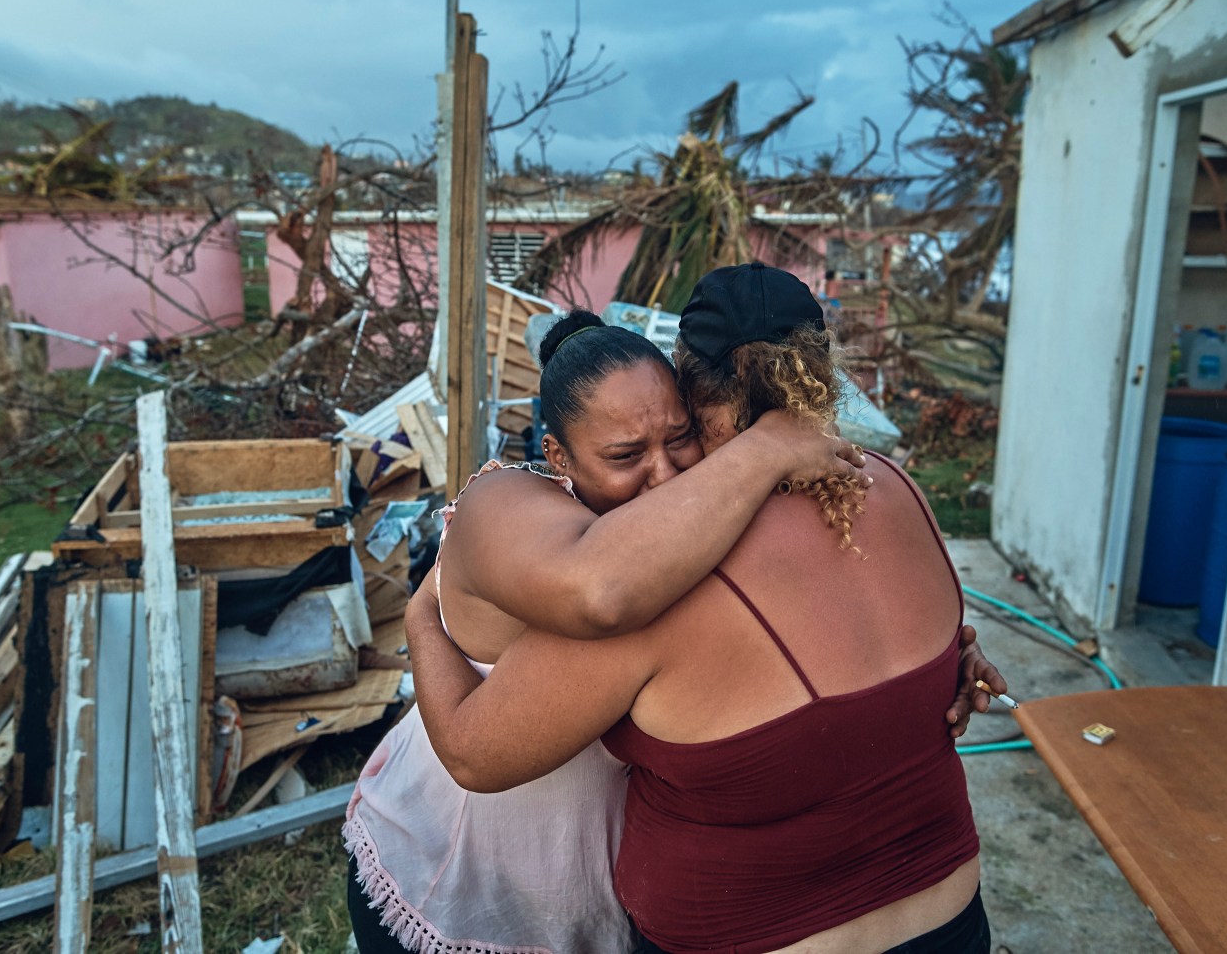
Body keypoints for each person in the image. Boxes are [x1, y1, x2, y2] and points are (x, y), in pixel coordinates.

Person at [409, 263, 1001, 954]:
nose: (660, 471)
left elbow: (476, 752)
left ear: (686, 386)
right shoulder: (901, 490)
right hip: (954, 922)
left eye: (675, 435)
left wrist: (419, 616)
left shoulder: (655, 579)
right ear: (823, 371)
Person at [343, 316, 872, 953]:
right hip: (452, 876)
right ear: (558, 455)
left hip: (585, 893)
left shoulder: (693, 525)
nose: (666, 475)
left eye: (680, 439)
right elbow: (601, 592)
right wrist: (768, 449)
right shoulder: (508, 500)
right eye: (625, 456)